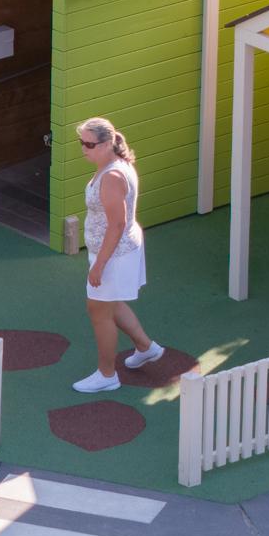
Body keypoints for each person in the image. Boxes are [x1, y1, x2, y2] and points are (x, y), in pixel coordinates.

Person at [73, 117, 163, 393]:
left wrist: (99, 265)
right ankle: (146, 347)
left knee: (99, 311)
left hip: (113, 255)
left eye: (89, 144)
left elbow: (117, 224)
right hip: (118, 250)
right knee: (110, 304)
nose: (84, 149)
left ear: (107, 143)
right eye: (82, 143)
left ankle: (107, 375)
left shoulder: (112, 177)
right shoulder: (116, 166)